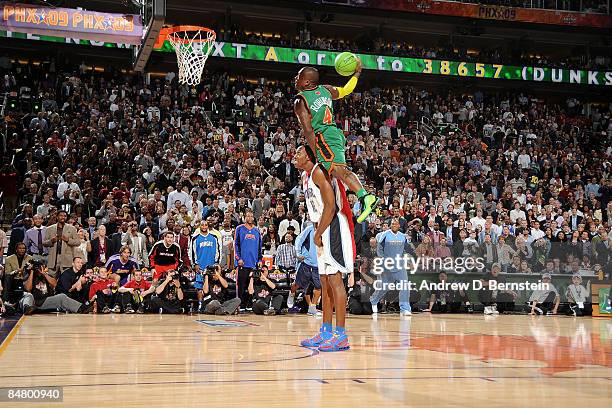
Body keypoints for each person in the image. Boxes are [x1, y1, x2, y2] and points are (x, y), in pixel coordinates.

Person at [293, 61, 378, 223]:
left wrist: (316, 152)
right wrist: (356, 75)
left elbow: (308, 130)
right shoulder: (326, 89)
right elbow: (346, 90)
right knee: (334, 172)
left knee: (337, 170)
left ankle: (365, 197)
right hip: (334, 133)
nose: (296, 78)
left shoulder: (300, 100)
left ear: (306, 82)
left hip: (323, 136)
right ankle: (362, 198)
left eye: (299, 76)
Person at [294, 145, 353, 352]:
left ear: (309, 156)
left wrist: (318, 233)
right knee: (325, 282)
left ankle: (341, 335)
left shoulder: (319, 171)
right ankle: (326, 331)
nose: (295, 155)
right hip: (320, 226)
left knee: (335, 280)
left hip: (331, 225)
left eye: (299, 153)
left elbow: (331, 206)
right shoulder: (305, 176)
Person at [370, 218, 414, 317]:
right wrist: (383, 260)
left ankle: (405, 308)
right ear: (390, 225)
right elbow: (379, 248)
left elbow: (407, 249)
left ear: (399, 226)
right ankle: (374, 301)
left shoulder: (403, 236)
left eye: (396, 224)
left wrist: (410, 260)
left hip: (400, 264)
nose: (394, 225)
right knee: (384, 287)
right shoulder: (384, 235)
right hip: (387, 265)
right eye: (392, 224)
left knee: (404, 285)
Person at [20, 260, 92, 315]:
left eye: (41, 267)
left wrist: (44, 274)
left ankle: (82, 308)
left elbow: (55, 284)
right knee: (28, 295)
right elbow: (28, 288)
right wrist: (32, 271)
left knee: (62, 297)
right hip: (33, 302)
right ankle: (27, 308)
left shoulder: (46, 276)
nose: (39, 269)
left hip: (43, 301)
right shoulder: (30, 276)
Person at [287, 222, 322, 316]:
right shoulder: (309, 229)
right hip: (306, 263)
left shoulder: (326, 230)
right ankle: (291, 293)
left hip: (318, 265)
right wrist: (298, 253)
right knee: (297, 285)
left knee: (319, 287)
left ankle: (312, 307)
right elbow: (298, 240)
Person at [234, 210, 262, 308]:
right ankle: (240, 305)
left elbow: (259, 247)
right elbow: (236, 245)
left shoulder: (257, 230)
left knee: (252, 287)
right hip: (243, 263)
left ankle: (250, 305)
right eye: (248, 216)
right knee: (241, 287)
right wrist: (239, 259)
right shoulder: (239, 228)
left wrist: (259, 260)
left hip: (254, 264)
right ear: (244, 217)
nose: (250, 218)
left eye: (251, 216)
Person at [43, 209, 79, 276]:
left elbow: (77, 242)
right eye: (61, 215)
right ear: (57, 217)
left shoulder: (72, 228)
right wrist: (51, 241)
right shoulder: (49, 228)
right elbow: (44, 243)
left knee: (66, 280)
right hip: (53, 258)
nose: (63, 217)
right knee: (50, 279)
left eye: (65, 216)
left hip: (66, 259)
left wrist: (68, 240)